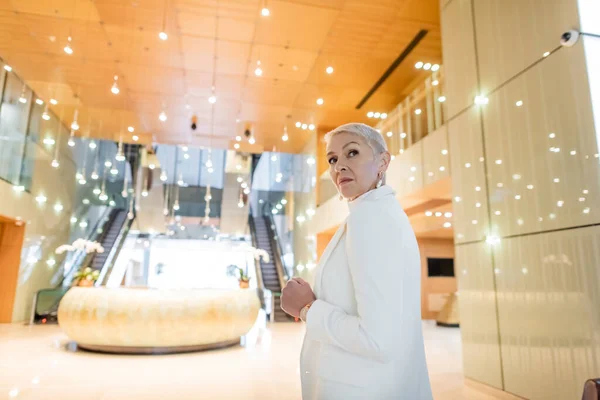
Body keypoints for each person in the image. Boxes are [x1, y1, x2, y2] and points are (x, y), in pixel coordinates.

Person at [281, 123, 432, 399]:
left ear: (382, 161)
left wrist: (306, 309)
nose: (339, 167)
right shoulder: (377, 214)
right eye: (333, 159)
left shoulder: (370, 219)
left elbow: (377, 340)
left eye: (352, 153)